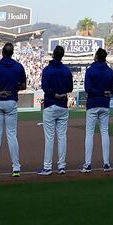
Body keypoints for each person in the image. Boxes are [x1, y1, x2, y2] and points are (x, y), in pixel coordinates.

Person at [0, 41, 27, 178]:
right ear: (12, 53)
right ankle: (16, 168)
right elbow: (24, 86)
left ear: (2, 52)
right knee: (12, 135)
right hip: (11, 101)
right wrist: (13, 89)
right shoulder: (19, 67)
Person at [38, 44, 73, 175]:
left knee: (49, 137)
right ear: (62, 55)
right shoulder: (66, 70)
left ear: (53, 55)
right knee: (62, 136)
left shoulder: (47, 69)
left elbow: (45, 87)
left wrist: (54, 94)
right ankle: (62, 166)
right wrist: (61, 93)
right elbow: (70, 87)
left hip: (50, 104)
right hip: (63, 105)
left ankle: (47, 167)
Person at [82, 47, 113, 172]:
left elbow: (87, 88)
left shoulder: (90, 70)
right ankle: (106, 163)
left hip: (92, 103)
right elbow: (112, 90)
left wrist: (99, 92)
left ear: (96, 56)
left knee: (89, 133)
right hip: (105, 104)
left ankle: (88, 164)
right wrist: (104, 92)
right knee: (105, 133)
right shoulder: (109, 71)